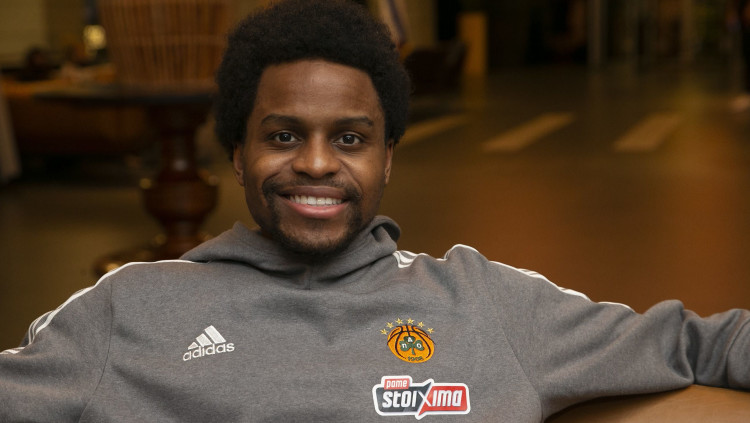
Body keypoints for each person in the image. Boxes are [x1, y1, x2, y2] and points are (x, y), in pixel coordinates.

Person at [0, 1, 748, 421]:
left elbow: (700, 343)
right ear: (237, 153)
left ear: (387, 158)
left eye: (350, 138)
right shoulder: (129, 309)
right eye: (283, 135)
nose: (317, 163)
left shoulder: (487, 303)